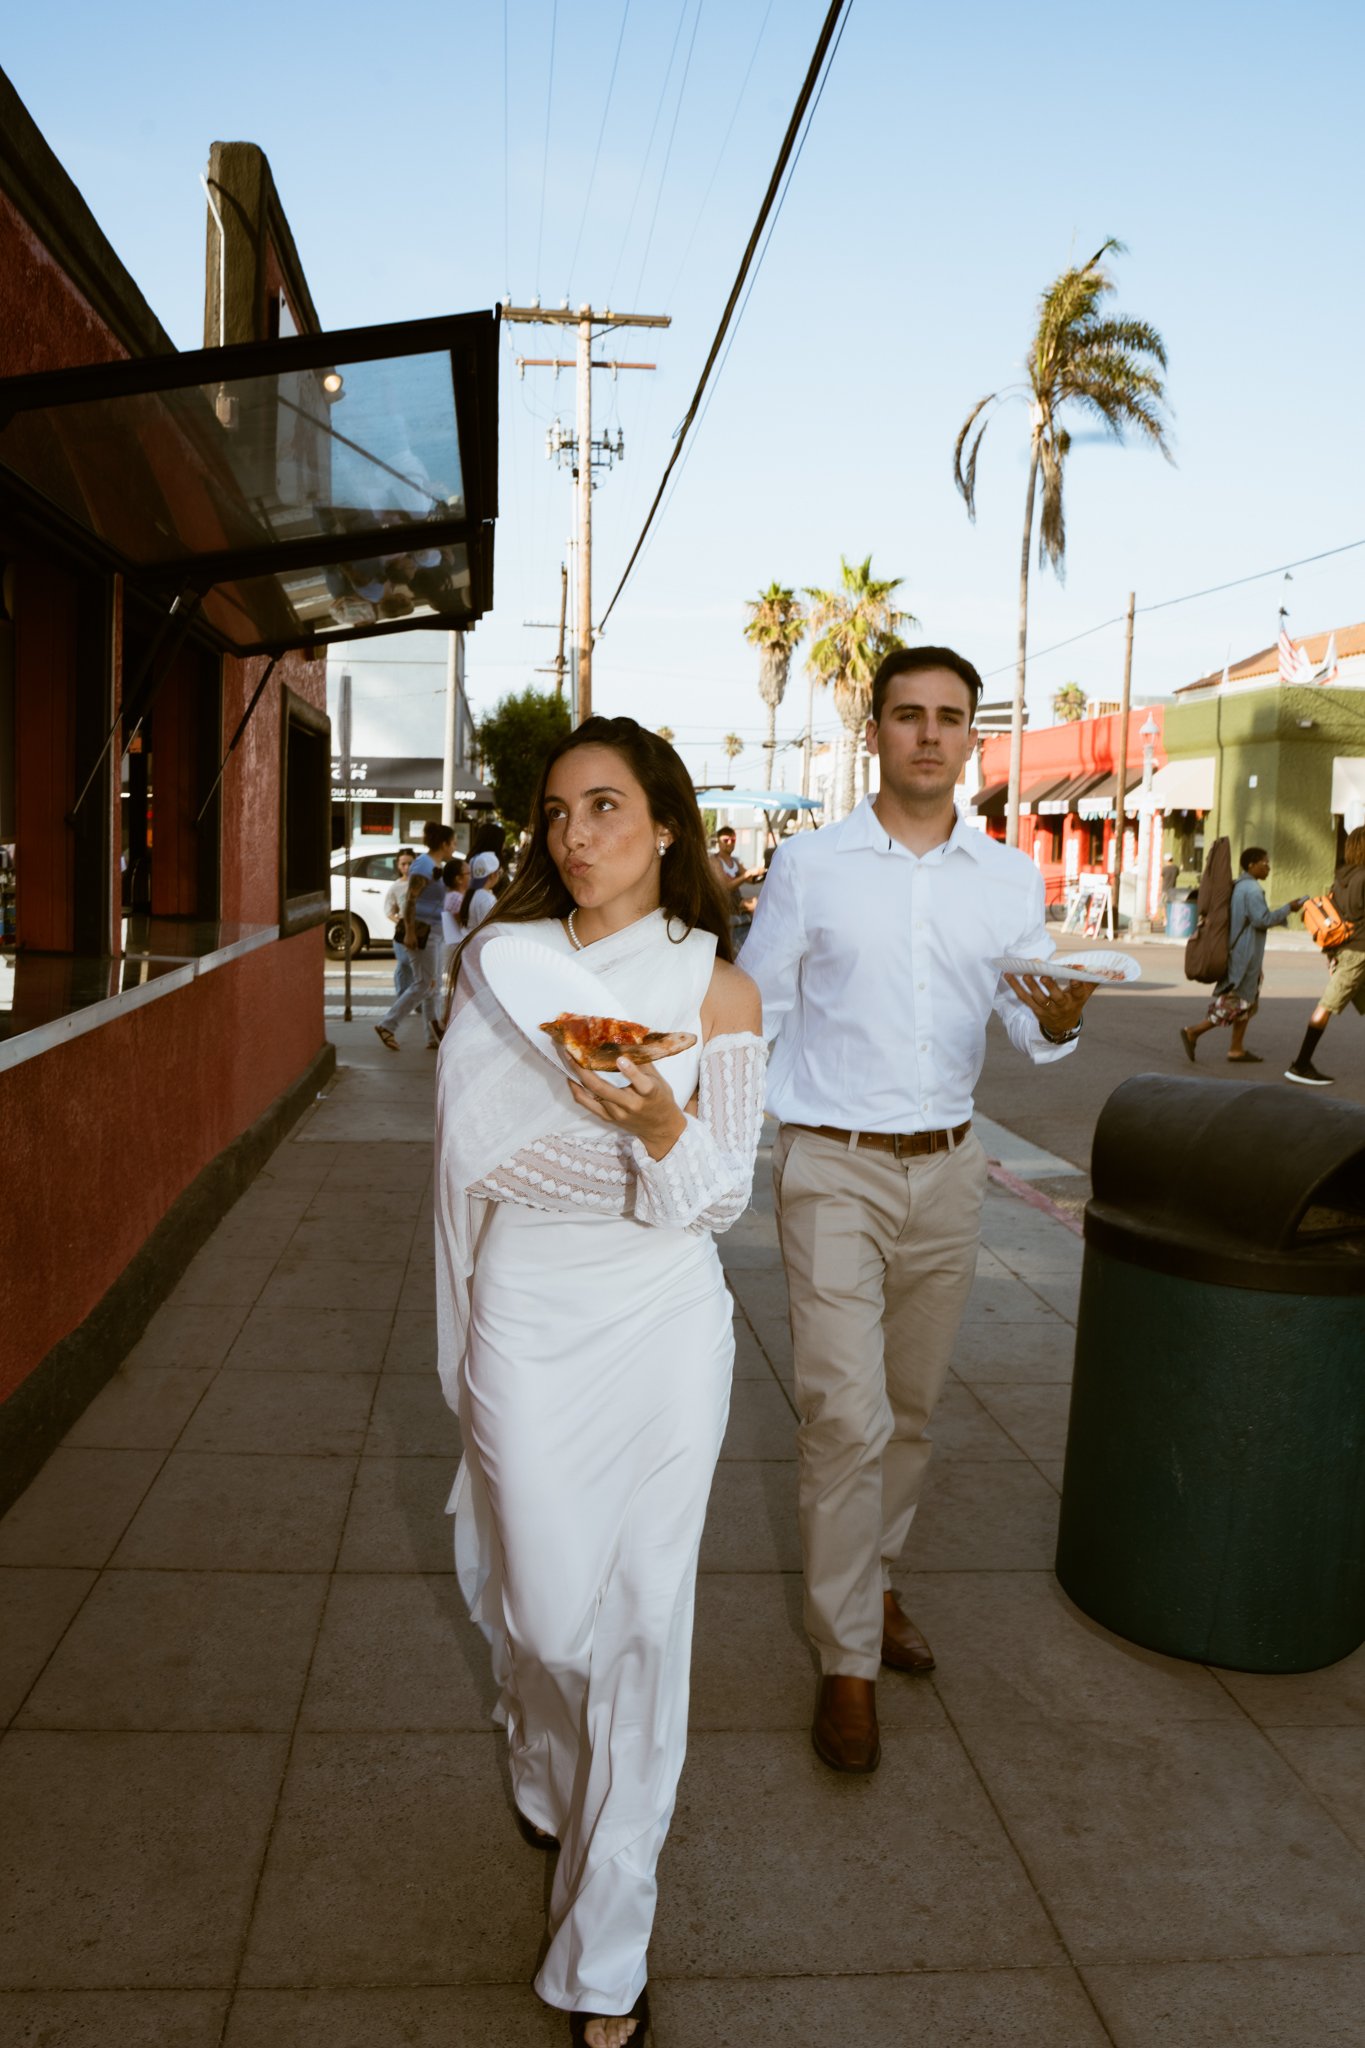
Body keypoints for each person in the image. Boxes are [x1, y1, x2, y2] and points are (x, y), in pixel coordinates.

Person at [434, 716, 764, 2045]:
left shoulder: (717, 991)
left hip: (666, 1326)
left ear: (666, 827)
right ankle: (534, 1731)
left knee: (640, 1626)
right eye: (559, 812)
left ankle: (605, 1954)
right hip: (526, 1306)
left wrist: (664, 1126)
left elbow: (719, 1199)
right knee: (555, 1622)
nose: (576, 836)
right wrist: (610, 1149)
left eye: (608, 808)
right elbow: (475, 1154)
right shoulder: (499, 963)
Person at [739, 645, 1094, 1776]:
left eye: (950, 717)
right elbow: (753, 1010)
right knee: (843, 1414)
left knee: (910, 1404)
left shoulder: (1009, 879)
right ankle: (846, 1656)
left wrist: (1067, 1009)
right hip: (832, 1163)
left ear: (971, 736)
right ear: (877, 732)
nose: (930, 734)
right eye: (908, 715)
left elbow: (1035, 1033)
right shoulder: (809, 865)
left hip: (950, 1166)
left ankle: (875, 1580)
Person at [1179, 848, 1305, 1066]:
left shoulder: (1239, 885)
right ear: (1251, 865)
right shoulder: (1252, 890)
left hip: (1245, 954)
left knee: (1248, 1002)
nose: (1268, 867)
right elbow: (1262, 920)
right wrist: (1289, 908)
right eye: (1264, 863)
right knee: (1237, 1001)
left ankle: (1236, 1049)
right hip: (1244, 956)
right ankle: (1194, 1031)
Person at [1285, 825, 1365, 1085]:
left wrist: (1332, 955)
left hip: (1344, 951)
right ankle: (1301, 1064)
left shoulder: (1341, 878)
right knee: (1326, 1007)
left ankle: (1302, 1063)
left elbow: (1333, 918)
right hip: (1358, 955)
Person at [374, 821, 455, 1053]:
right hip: (422, 933)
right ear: (444, 843)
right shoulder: (423, 865)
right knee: (423, 983)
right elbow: (410, 899)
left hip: (435, 931)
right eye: (453, 843)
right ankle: (387, 1024)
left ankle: (433, 1036)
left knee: (433, 984)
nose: (454, 847)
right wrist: (409, 931)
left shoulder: (434, 864)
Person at [709, 824, 761, 949]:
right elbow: (726, 887)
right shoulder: (715, 861)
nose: (730, 843)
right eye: (726, 840)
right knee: (755, 904)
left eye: (733, 840)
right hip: (722, 902)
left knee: (761, 902)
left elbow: (750, 880)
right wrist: (746, 875)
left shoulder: (736, 861)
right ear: (719, 842)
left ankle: (754, 940)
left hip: (736, 901)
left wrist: (759, 874)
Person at [384, 846, 417, 998]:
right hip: (403, 931)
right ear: (397, 865)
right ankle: (403, 995)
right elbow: (389, 911)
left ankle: (416, 998)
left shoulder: (422, 883)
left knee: (418, 965)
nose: (407, 867)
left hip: (421, 929)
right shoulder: (396, 887)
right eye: (403, 864)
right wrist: (401, 922)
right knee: (404, 963)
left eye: (410, 863)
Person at [460, 850, 500, 931]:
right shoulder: (487, 899)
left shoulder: (473, 893)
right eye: (499, 872)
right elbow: (490, 930)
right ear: (493, 875)